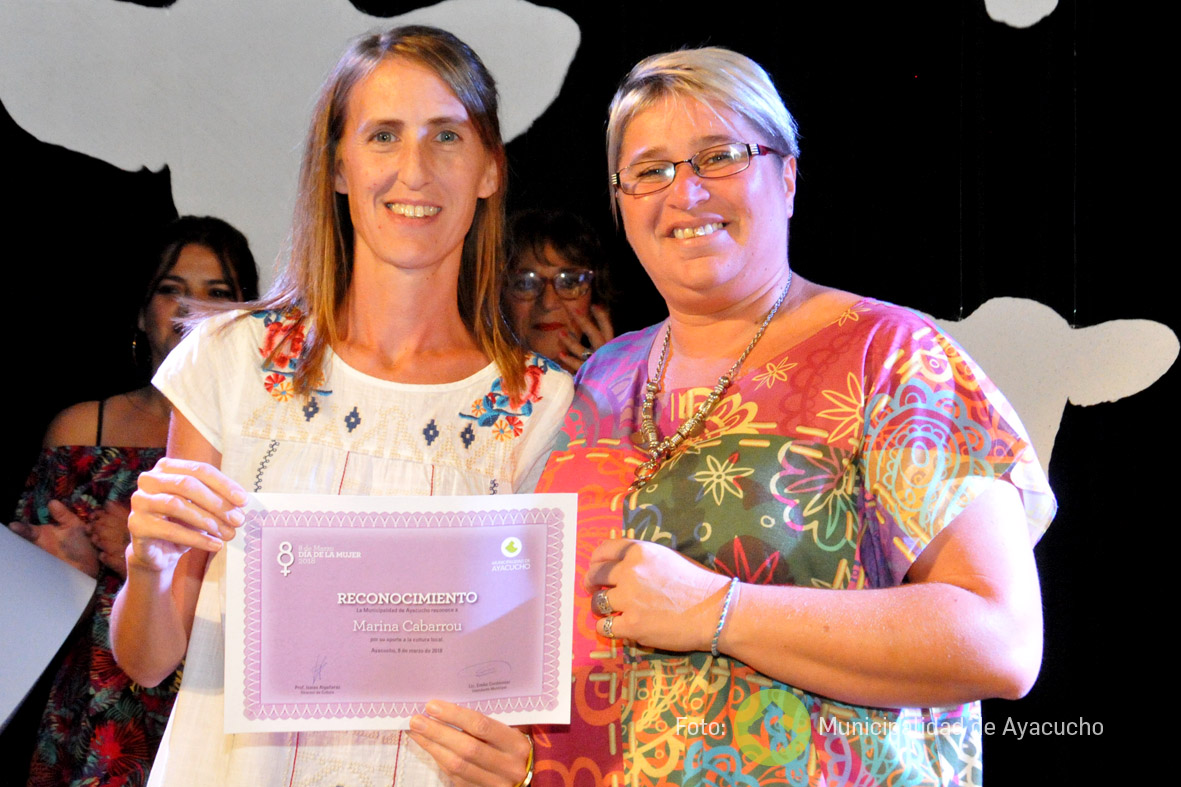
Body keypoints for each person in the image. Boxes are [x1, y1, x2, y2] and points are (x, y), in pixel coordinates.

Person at [531, 47, 1056, 786]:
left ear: (786, 178)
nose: (684, 191)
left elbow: (1000, 641)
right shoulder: (600, 379)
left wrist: (718, 609)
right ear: (621, 204)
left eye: (719, 156)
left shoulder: (888, 355)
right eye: (650, 170)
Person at [109, 26, 571, 787]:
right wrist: (149, 563)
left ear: (490, 167)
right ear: (338, 167)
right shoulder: (231, 359)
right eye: (383, 135)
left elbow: (523, 682)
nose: (414, 170)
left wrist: (521, 762)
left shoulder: (542, 404)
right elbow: (149, 659)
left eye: (446, 135)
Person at [9, 215, 258, 787]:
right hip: (93, 711)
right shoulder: (81, 428)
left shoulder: (261, 439)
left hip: (208, 704)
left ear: (247, 317)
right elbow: (23, 594)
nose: (191, 311)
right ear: (142, 312)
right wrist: (66, 571)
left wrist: (139, 554)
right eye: (172, 289)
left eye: (217, 293)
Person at [504, 209, 614, 373]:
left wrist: (609, 383)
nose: (548, 303)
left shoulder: (643, 379)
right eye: (526, 283)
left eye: (569, 282)